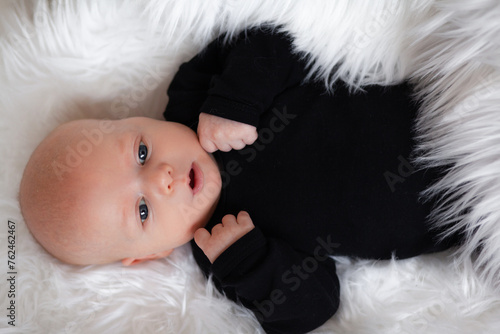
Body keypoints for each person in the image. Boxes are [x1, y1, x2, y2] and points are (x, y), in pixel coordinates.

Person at [19, 27, 461, 334]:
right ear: (149, 254)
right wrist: (250, 263)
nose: (162, 178)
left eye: (140, 153)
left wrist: (235, 100)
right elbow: (316, 305)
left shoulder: (195, 98)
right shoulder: (224, 252)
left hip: (442, 101)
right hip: (457, 212)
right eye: (142, 209)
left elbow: (278, 35)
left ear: (134, 118)